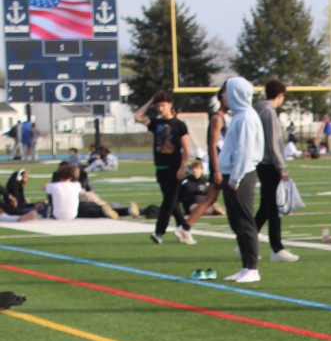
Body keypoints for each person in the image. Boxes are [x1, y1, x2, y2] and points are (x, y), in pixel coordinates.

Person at [134, 90, 196, 245]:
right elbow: (138, 116)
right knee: (172, 201)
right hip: (160, 167)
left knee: (168, 201)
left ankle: (159, 232)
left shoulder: (179, 125)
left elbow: (186, 148)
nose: (160, 109)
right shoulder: (156, 124)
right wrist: (151, 100)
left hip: (174, 167)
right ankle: (184, 229)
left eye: (163, 105)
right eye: (158, 106)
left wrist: (182, 166)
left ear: (170, 105)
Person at [218, 77, 264, 285]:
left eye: (226, 91)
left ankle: (252, 267)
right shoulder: (238, 116)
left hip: (241, 176)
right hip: (232, 174)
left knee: (245, 221)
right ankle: (245, 266)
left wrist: (235, 178)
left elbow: (245, 151)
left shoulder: (246, 117)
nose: (223, 95)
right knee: (236, 222)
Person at [254, 77, 299, 264]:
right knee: (274, 208)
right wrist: (281, 167)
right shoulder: (269, 112)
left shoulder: (259, 109)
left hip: (261, 162)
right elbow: (273, 143)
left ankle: (246, 240)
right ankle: (277, 247)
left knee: (266, 207)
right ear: (280, 95)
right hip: (269, 164)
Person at [187, 86, 228, 228]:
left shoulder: (224, 118)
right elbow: (213, 145)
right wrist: (216, 170)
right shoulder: (217, 118)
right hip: (220, 165)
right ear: (222, 98)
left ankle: (185, 227)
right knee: (232, 199)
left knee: (211, 198)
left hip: (222, 163)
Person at [45, 162, 121, 220]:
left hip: (59, 214)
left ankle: (106, 210)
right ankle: (119, 210)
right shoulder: (76, 184)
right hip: (77, 208)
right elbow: (86, 195)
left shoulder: (54, 185)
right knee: (94, 207)